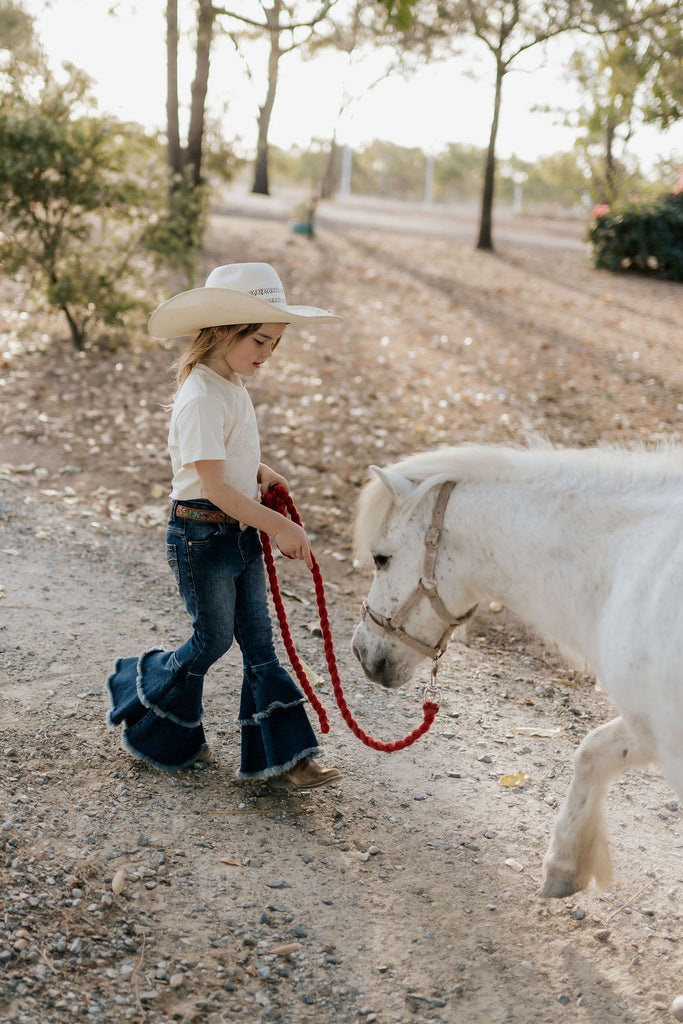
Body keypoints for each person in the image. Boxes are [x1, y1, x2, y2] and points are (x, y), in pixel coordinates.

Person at [106, 262, 343, 789]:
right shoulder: (200, 396)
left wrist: (260, 472)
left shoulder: (231, 383)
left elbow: (225, 462)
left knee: (260, 644)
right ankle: (144, 700)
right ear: (221, 332)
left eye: (274, 344)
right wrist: (279, 528)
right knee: (212, 641)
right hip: (201, 538)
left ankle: (285, 762)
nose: (267, 354)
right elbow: (211, 486)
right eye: (260, 340)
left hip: (237, 532)